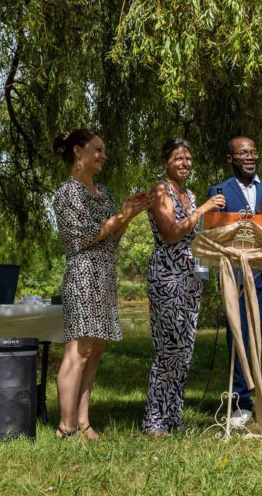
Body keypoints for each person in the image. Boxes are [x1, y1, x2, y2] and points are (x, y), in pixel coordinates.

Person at [52, 129, 150, 440]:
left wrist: (128, 216)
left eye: (104, 150)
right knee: (78, 350)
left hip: (104, 275)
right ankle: (65, 427)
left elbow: (111, 235)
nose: (103, 156)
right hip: (82, 275)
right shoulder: (67, 193)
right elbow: (84, 237)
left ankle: (83, 422)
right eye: (97, 149)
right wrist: (121, 214)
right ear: (78, 152)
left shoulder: (104, 193)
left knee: (95, 349)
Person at [208, 136, 262, 431]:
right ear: (230, 158)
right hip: (236, 276)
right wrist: (217, 213)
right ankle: (240, 404)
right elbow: (213, 236)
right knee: (239, 338)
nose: (249, 157)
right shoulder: (219, 191)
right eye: (243, 153)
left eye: (253, 152)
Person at [142, 138, 226, 437]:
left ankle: (173, 418)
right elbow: (171, 234)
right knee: (168, 349)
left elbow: (194, 234)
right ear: (166, 162)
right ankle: (154, 421)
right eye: (178, 158)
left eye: (188, 158)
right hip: (168, 276)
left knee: (185, 350)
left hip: (191, 277)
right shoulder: (160, 191)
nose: (184, 163)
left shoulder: (188, 193)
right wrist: (203, 208)